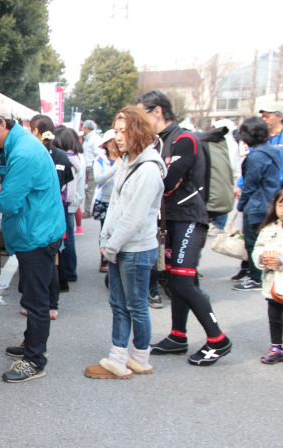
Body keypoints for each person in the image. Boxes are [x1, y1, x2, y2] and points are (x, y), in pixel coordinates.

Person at [0, 100, 65, 382]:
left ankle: (35, 359)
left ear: (1, 124)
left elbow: (7, 202)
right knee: (32, 294)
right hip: (32, 231)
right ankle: (31, 344)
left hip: (37, 233)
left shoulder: (22, 151)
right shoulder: (12, 146)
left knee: (36, 299)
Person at [137, 89, 232, 366]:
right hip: (171, 221)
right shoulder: (159, 142)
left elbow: (166, 183)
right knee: (177, 282)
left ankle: (218, 339)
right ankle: (178, 336)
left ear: (157, 111)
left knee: (181, 280)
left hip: (190, 218)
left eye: (142, 114)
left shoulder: (184, 139)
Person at [85, 105, 166, 379]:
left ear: (139, 131)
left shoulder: (148, 169)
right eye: (116, 132)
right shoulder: (128, 161)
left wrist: (112, 246)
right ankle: (121, 357)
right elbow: (115, 207)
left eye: (123, 131)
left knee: (135, 306)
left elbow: (133, 217)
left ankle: (136, 358)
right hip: (122, 246)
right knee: (120, 304)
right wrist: (106, 240)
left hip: (137, 248)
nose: (118, 137)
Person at [27, 115, 75, 319]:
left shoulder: (32, 155)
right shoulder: (62, 156)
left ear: (36, 131)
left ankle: (39, 305)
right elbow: (68, 188)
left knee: (36, 263)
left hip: (38, 217)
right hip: (57, 214)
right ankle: (52, 305)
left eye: (30, 129)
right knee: (52, 260)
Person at [234, 117, 282, 291]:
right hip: (270, 201)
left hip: (257, 204)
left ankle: (255, 278)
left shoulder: (256, 156)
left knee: (253, 242)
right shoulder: (272, 151)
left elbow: (250, 184)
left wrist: (240, 206)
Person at [251, 189, 283, 364]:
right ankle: (277, 347)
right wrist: (262, 259)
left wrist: (280, 260)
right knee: (275, 317)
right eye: (280, 204)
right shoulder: (268, 229)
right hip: (273, 284)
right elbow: (257, 249)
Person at [53, 126, 83, 282]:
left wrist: (64, 201)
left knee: (66, 240)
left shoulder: (65, 159)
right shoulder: (74, 158)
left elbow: (69, 187)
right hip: (68, 204)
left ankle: (68, 272)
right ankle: (70, 271)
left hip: (64, 204)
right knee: (68, 239)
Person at [93, 129, 119, 273]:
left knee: (119, 230)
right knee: (105, 230)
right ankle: (104, 259)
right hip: (105, 199)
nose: (113, 145)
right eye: (109, 142)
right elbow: (98, 179)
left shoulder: (127, 157)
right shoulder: (100, 160)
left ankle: (116, 257)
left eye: (114, 141)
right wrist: (115, 167)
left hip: (121, 200)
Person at [82, 120, 103, 218]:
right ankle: (88, 209)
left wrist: (95, 165)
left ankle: (88, 210)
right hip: (88, 166)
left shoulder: (94, 139)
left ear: (86, 128)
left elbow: (98, 153)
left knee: (90, 190)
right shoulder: (88, 139)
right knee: (88, 190)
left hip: (91, 166)